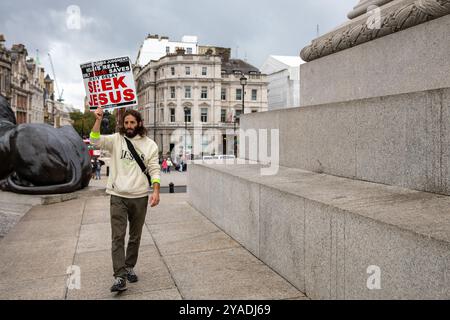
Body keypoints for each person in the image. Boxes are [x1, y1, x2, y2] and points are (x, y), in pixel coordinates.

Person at [90, 107, 160, 293]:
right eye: (126, 122)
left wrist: (156, 191)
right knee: (118, 237)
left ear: (139, 124)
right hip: (118, 196)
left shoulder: (150, 145)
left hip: (139, 197)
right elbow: (94, 141)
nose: (129, 126)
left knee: (135, 236)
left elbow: (154, 169)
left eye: (132, 123)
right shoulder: (116, 139)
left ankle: (129, 266)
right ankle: (119, 276)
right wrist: (98, 120)